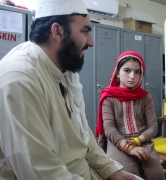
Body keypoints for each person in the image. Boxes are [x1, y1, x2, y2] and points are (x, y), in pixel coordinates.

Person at [0, 0, 137, 179]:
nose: (91, 42)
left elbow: (82, 135)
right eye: (85, 31)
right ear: (58, 31)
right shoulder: (19, 79)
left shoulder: (65, 70)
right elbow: (41, 172)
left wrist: (112, 172)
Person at [95, 51, 165, 180]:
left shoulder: (145, 97)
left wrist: (137, 141)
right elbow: (109, 128)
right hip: (117, 143)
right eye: (127, 70)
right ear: (117, 73)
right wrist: (128, 147)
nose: (132, 76)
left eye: (137, 72)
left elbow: (153, 126)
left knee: (156, 174)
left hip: (143, 142)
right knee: (129, 175)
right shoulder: (108, 98)